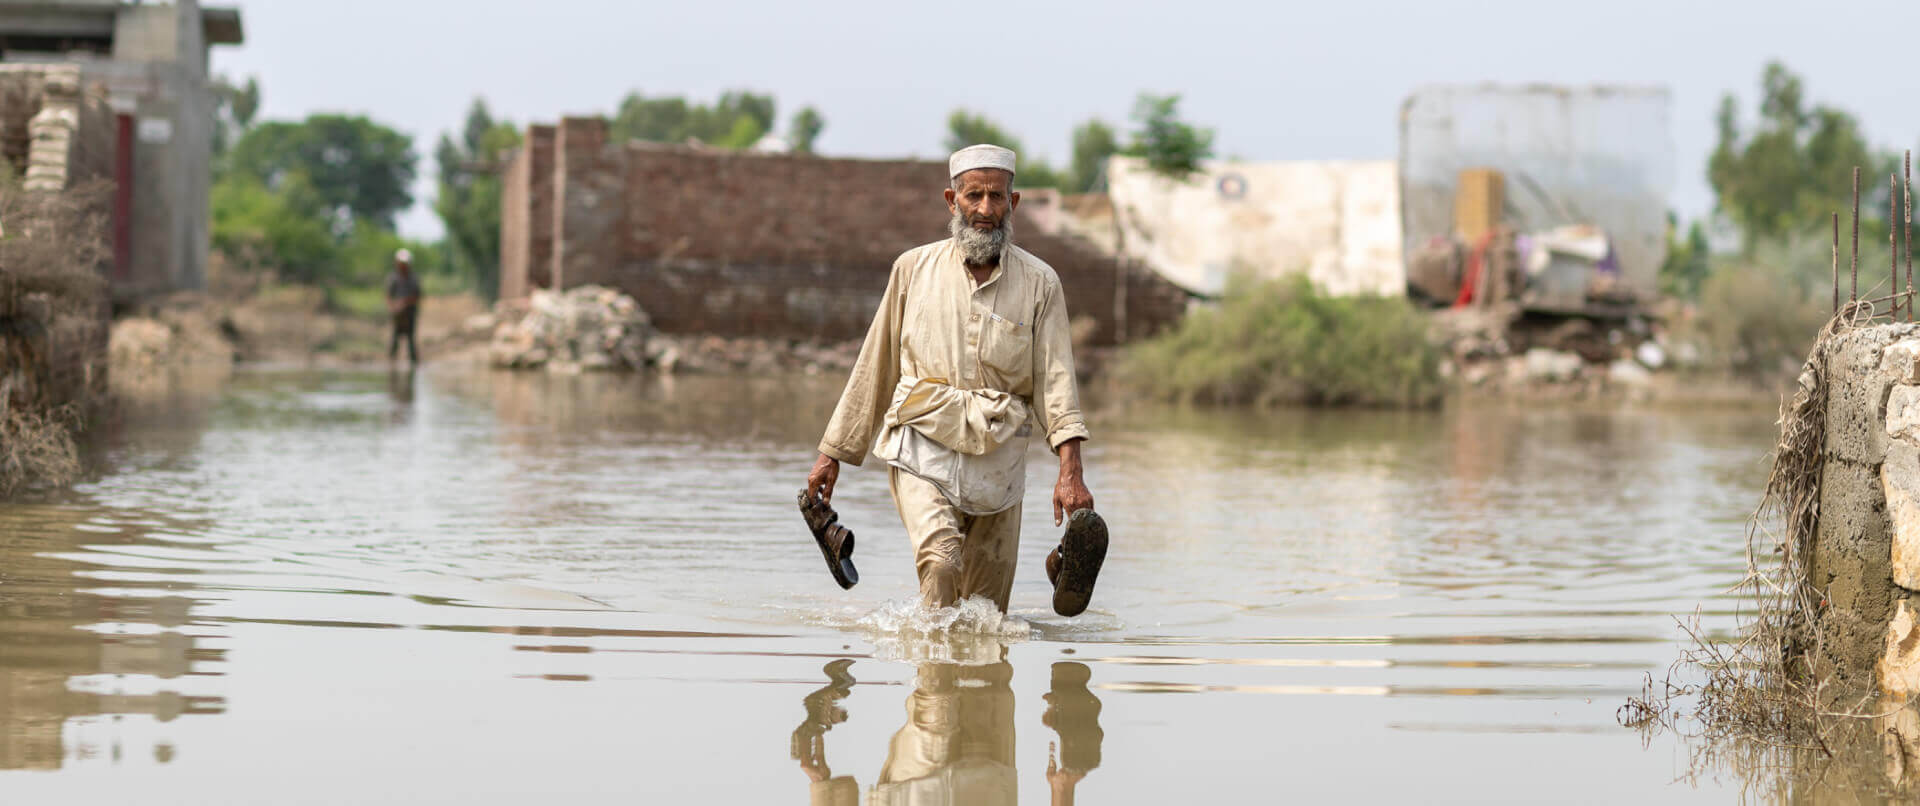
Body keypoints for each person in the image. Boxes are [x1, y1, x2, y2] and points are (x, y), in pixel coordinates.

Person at [804, 144, 1099, 614]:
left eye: (997, 197)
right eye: (974, 196)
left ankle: (976, 682)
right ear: (951, 200)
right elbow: (875, 365)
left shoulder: (1041, 284)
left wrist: (1071, 472)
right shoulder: (912, 270)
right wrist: (832, 454)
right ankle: (934, 684)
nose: (986, 209)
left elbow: (1056, 383)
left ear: (1013, 203)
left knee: (987, 615)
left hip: (999, 457)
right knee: (941, 564)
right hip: (922, 445)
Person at [385, 248, 422, 365]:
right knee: (395, 337)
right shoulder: (393, 278)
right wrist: (394, 306)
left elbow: (417, 295)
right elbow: (388, 295)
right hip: (397, 313)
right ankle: (391, 362)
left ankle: (413, 362)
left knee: (411, 338)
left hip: (410, 312)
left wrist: (405, 303)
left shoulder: (413, 278)